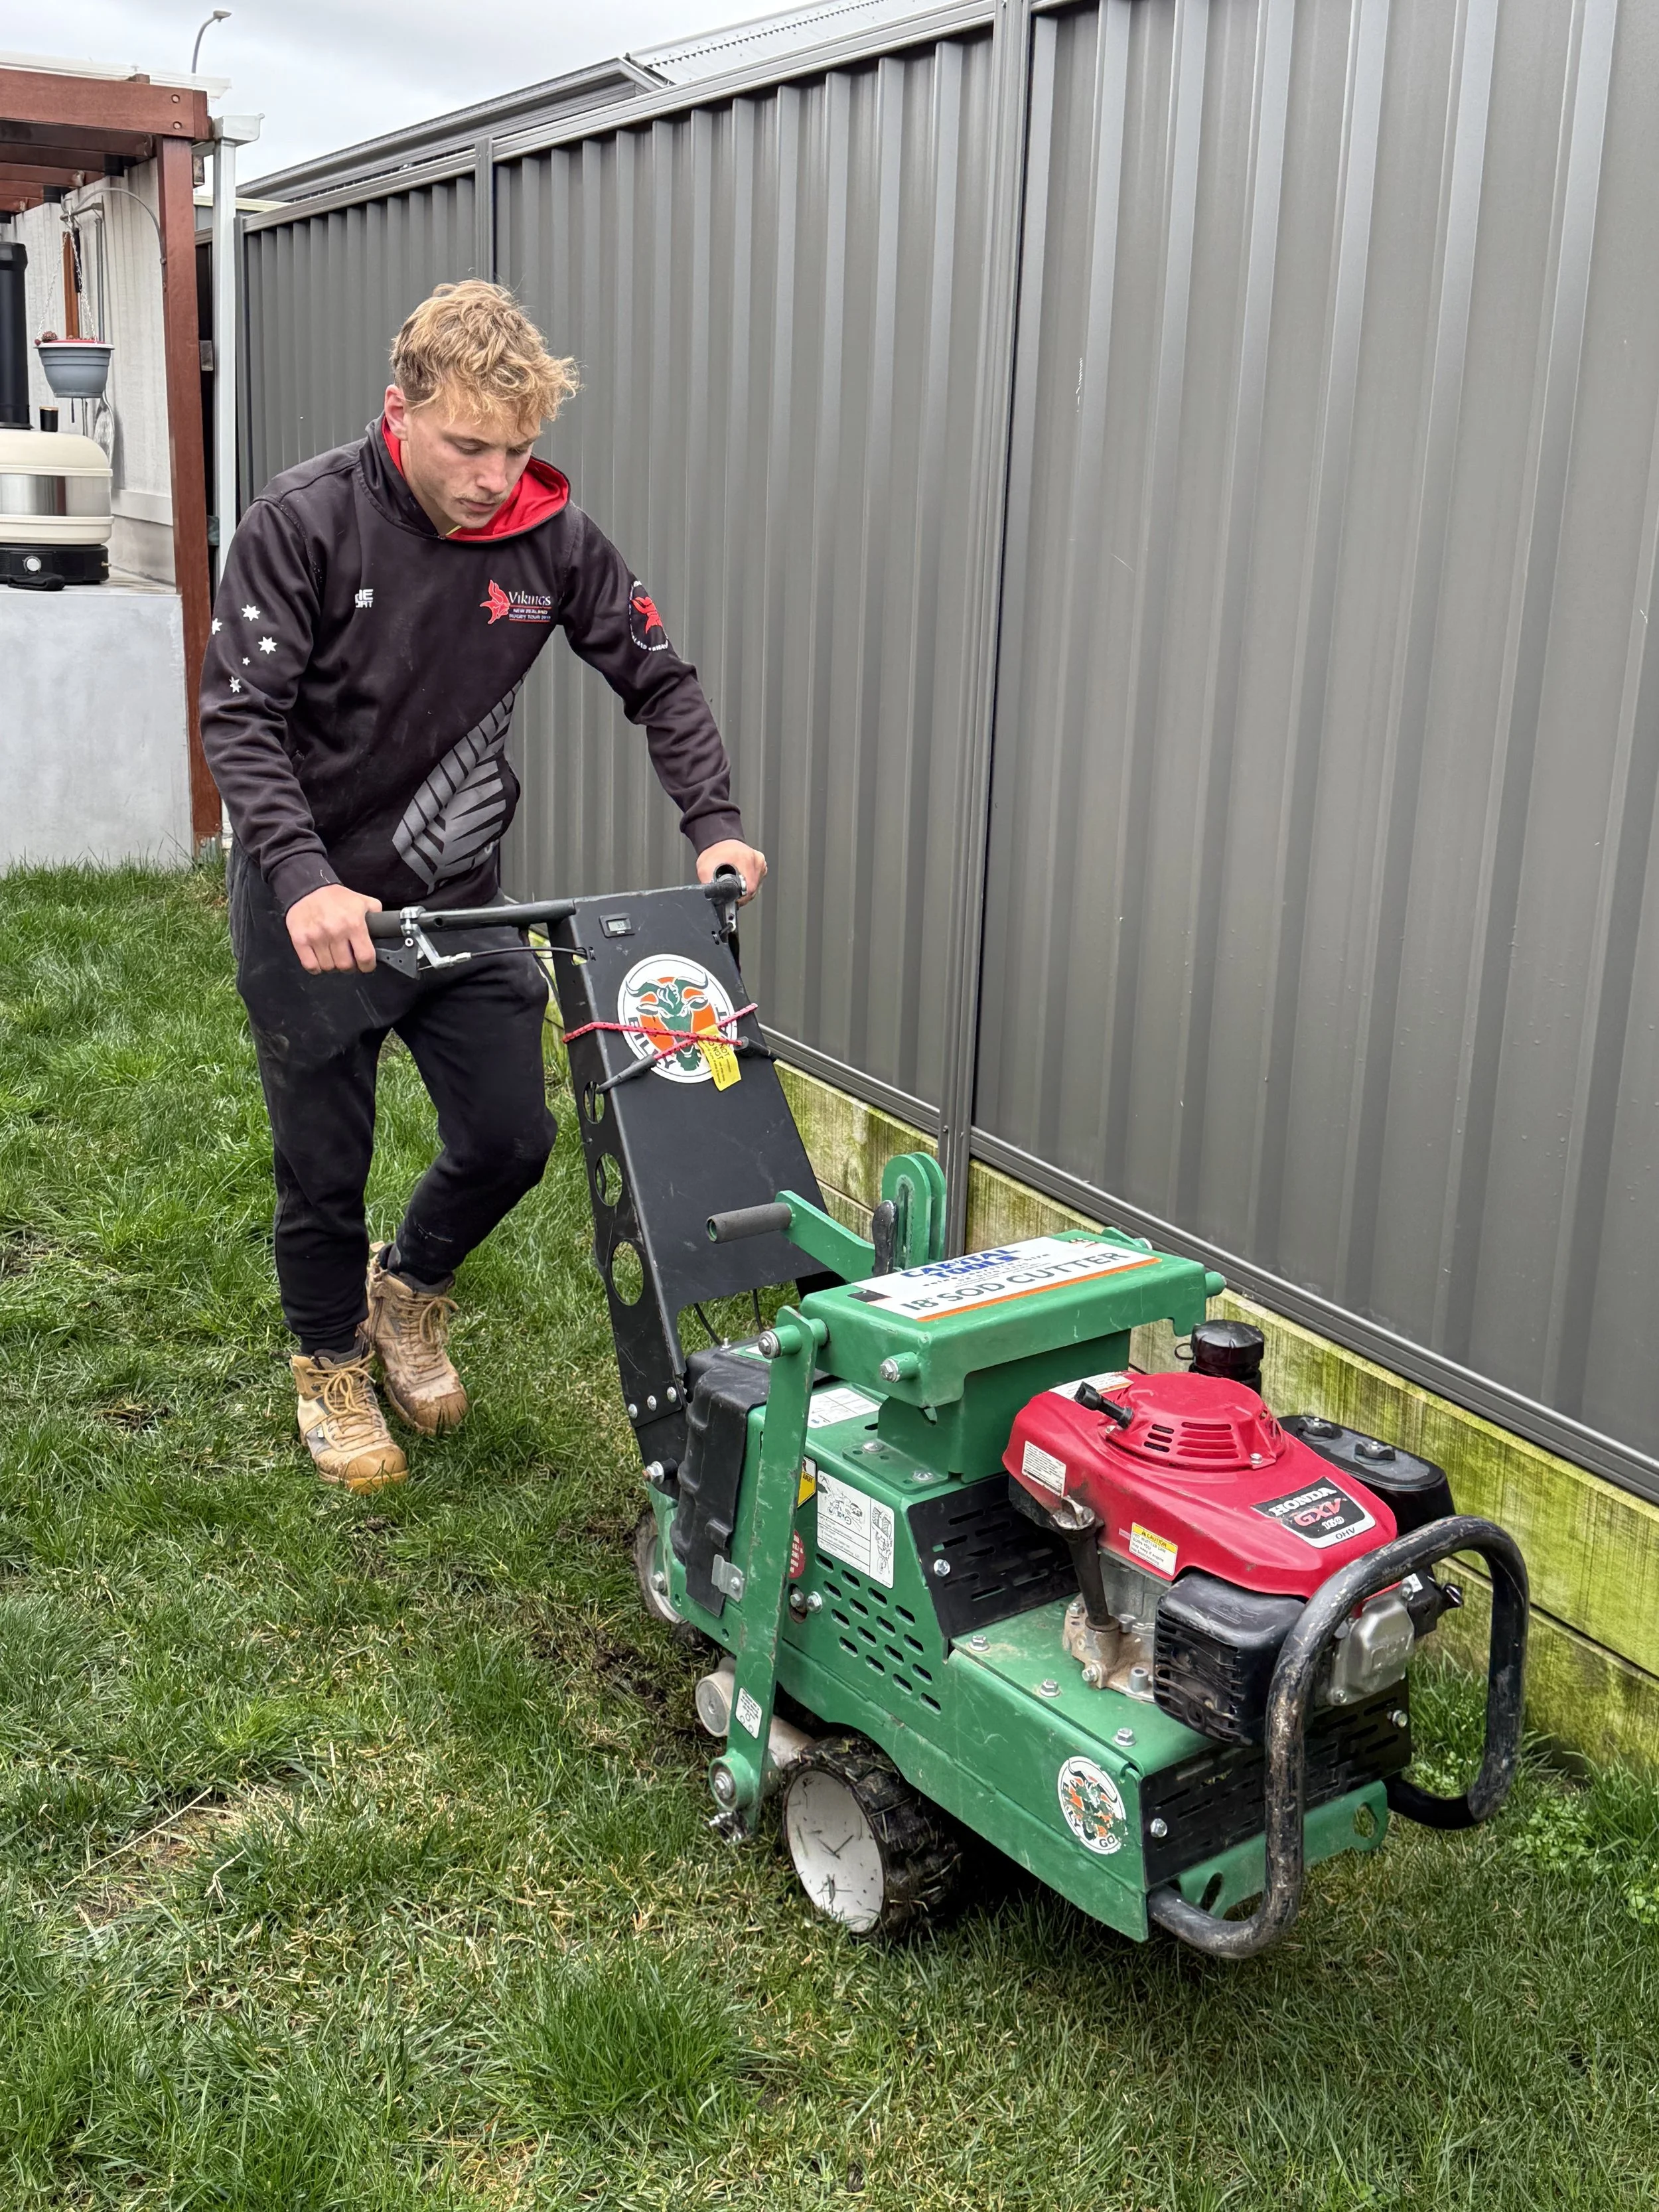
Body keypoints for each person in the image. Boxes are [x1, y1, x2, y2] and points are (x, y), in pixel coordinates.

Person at [201, 281, 766, 1497]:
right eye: (468, 445)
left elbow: (659, 680)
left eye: (517, 449)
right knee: (323, 1171)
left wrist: (714, 827)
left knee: (514, 1136)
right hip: (316, 911)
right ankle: (328, 1363)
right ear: (396, 412)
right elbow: (239, 719)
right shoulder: (304, 522)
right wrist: (302, 881)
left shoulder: (550, 539)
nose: (494, 477)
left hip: (458, 905)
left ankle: (408, 1290)